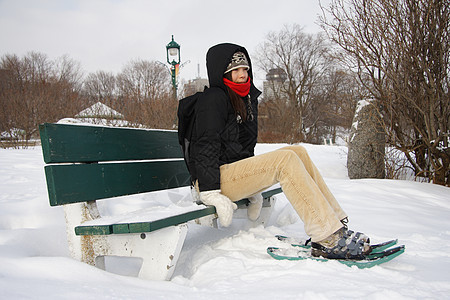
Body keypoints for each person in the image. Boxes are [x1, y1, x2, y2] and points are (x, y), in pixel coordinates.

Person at [186, 42, 371, 260]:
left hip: (230, 174)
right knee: (284, 160)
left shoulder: (244, 99)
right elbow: (205, 146)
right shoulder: (214, 99)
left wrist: (253, 185)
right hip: (212, 181)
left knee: (297, 152)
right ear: (222, 72)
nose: (242, 74)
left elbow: (244, 148)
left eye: (245, 69)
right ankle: (326, 236)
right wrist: (210, 192)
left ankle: (335, 225)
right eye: (235, 70)